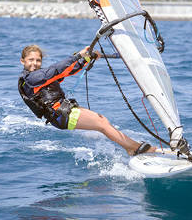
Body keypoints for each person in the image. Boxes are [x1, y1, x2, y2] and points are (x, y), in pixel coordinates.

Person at [18, 44, 156, 156]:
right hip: (60, 115)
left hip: (63, 111)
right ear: (22, 61)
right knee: (101, 123)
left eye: (38, 60)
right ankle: (135, 148)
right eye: (31, 60)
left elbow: (67, 71)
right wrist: (78, 55)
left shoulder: (40, 76)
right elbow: (55, 70)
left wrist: (87, 59)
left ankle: (130, 147)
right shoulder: (31, 79)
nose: (35, 63)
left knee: (103, 120)